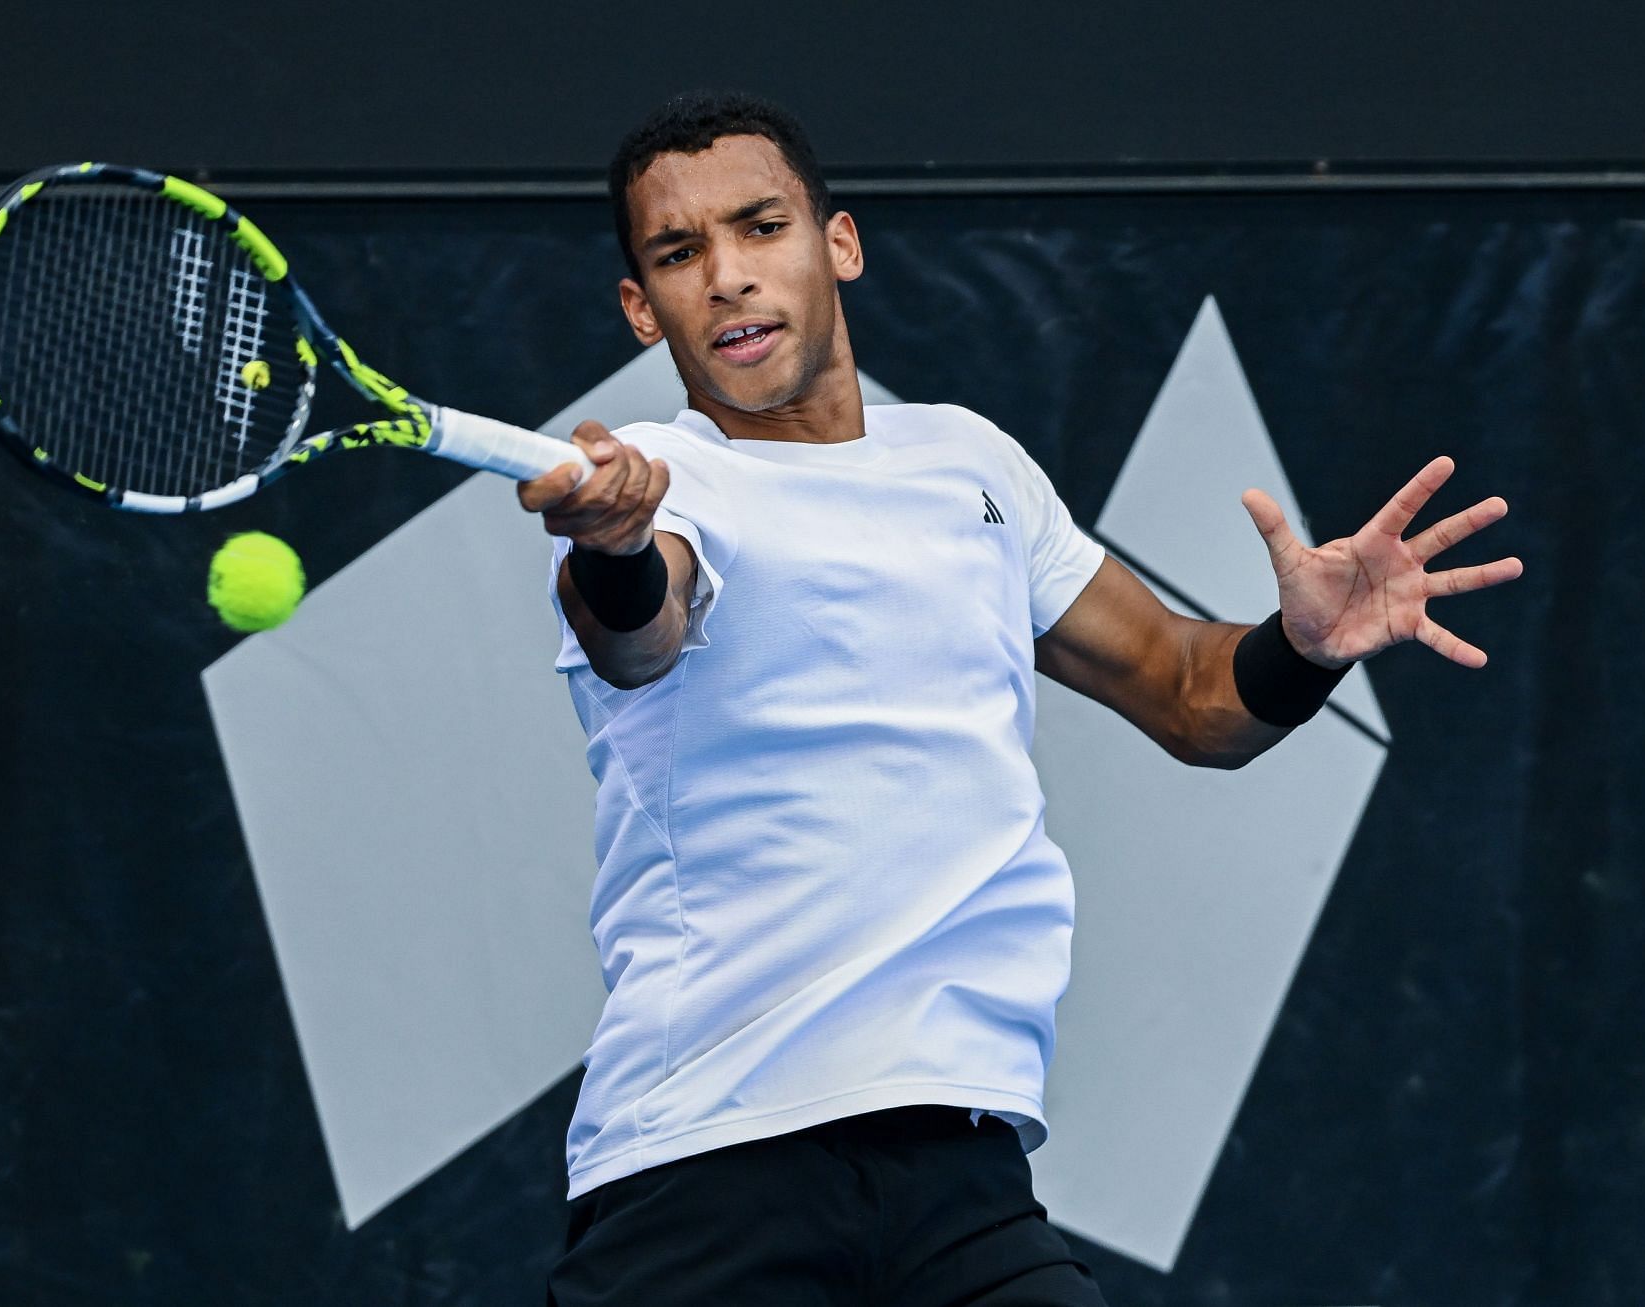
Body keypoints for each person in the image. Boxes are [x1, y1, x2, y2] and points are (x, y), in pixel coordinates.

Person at [518, 91, 1521, 1307]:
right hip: (709, 1165)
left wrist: (1304, 647)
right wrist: (615, 546)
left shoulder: (971, 462)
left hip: (962, 1174)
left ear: (839, 243)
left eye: (760, 226)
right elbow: (639, 633)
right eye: (680, 253)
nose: (728, 275)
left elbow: (1193, 694)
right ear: (641, 307)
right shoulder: (674, 487)